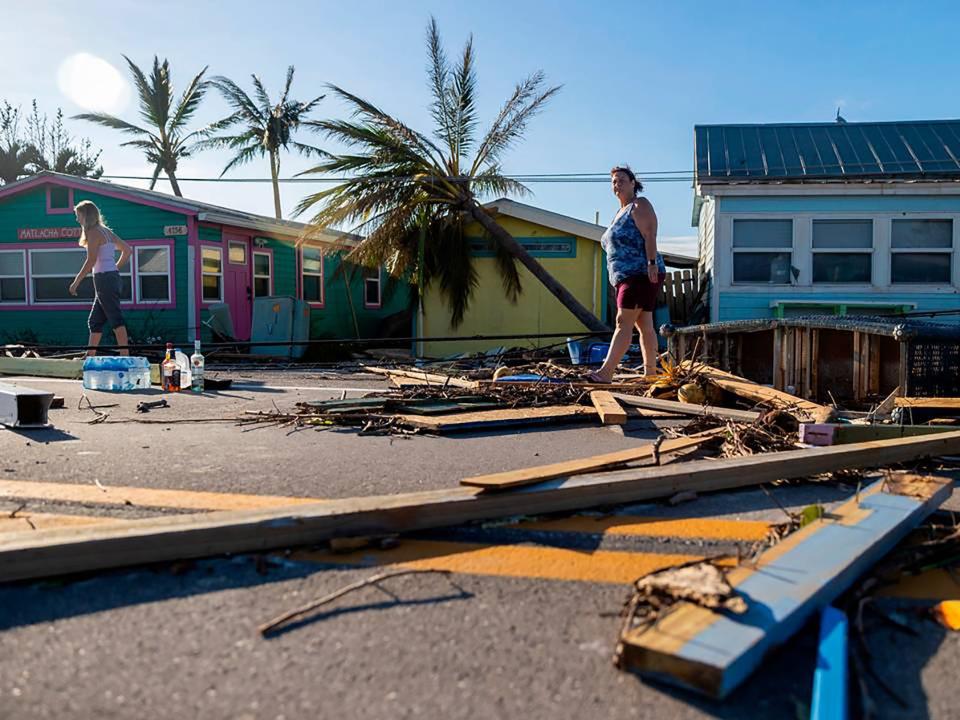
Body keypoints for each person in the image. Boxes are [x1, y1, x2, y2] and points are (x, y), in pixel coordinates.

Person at [587, 166, 666, 383]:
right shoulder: (619, 213)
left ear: (633, 183)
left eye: (622, 180)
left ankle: (606, 372)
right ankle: (650, 374)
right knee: (645, 325)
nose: (617, 184)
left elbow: (650, 234)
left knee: (623, 321)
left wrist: (651, 264)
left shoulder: (639, 205)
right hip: (626, 276)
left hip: (640, 272)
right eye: (614, 181)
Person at [68, 200, 132, 356]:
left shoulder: (93, 232)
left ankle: (125, 356)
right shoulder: (106, 231)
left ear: (86, 215)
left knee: (115, 318)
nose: (77, 219)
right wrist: (115, 267)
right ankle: (90, 356)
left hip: (105, 279)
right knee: (95, 321)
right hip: (110, 278)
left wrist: (76, 282)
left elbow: (91, 260)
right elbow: (127, 250)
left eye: (78, 215)